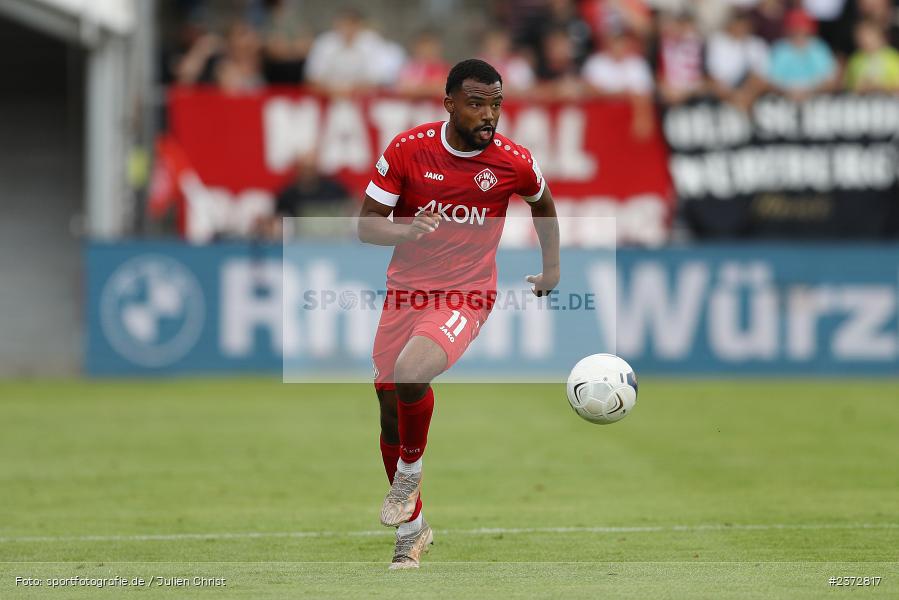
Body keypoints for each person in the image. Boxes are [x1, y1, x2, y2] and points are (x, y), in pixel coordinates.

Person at [357, 59, 560, 570]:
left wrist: (551, 269)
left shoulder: (512, 161)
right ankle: (413, 530)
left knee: (411, 372)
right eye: (476, 103)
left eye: (495, 103)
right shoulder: (408, 149)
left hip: (465, 294)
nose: (488, 113)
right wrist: (407, 230)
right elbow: (367, 226)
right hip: (404, 293)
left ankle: (408, 474)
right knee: (388, 409)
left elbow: (544, 204)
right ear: (449, 103)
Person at [768, 9, 837, 100]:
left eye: (803, 29)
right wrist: (789, 91)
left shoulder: (819, 48)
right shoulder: (780, 49)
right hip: (782, 99)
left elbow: (831, 79)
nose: (799, 33)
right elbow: (768, 79)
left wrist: (810, 91)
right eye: (795, 29)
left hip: (816, 98)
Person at [845, 19, 899, 92]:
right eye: (860, 38)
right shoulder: (855, 59)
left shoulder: (893, 58)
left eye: (869, 36)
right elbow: (848, 85)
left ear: (881, 36)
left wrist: (880, 86)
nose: (865, 41)